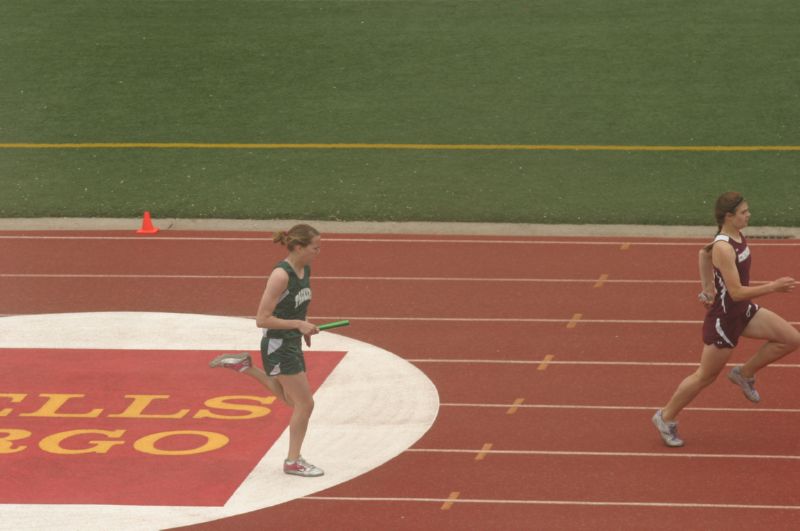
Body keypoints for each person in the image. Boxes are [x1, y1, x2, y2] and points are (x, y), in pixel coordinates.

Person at [652, 192, 800, 447]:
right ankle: (665, 417)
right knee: (705, 376)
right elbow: (736, 291)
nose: (749, 215)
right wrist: (773, 286)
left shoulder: (734, 236)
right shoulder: (723, 247)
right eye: (743, 212)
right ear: (729, 216)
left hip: (742, 311)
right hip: (724, 320)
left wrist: (707, 287)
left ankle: (744, 373)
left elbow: (702, 254)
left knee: (790, 339)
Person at [210, 224, 324, 476]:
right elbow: (262, 319)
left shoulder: (304, 270)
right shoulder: (280, 275)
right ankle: (293, 461)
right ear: (298, 247)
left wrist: (301, 330)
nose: (319, 251)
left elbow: (295, 307)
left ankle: (245, 367)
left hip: (290, 341)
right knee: (305, 404)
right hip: (278, 344)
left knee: (289, 399)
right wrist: (297, 325)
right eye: (315, 246)